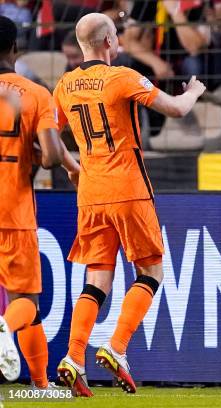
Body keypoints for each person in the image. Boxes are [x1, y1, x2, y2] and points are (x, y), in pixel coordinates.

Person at [53, 13, 205, 397]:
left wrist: (74, 169)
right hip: (128, 188)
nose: (119, 40)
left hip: (90, 193)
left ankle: (74, 358)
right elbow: (176, 110)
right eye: (117, 34)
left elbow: (49, 142)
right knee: (151, 272)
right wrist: (194, 92)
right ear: (108, 42)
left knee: (97, 279)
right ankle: (117, 347)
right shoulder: (121, 76)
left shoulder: (65, 84)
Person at [0, 15, 79, 388]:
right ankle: (3, 327)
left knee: (27, 311)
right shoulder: (34, 94)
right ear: (16, 48)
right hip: (13, 212)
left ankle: (42, 388)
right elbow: (49, 155)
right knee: (26, 302)